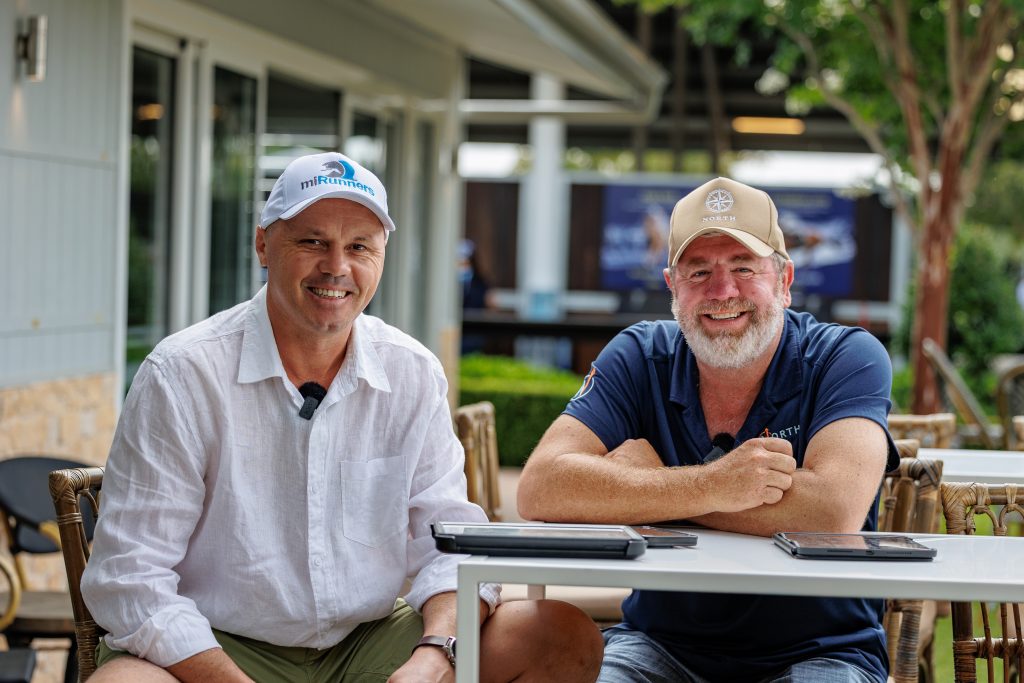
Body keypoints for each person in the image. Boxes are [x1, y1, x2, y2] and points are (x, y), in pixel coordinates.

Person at [81, 152, 603, 683]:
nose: (336, 266)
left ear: (382, 256)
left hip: (367, 642)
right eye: (312, 242)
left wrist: (435, 654)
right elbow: (129, 576)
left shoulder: (412, 371)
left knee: (561, 635)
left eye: (359, 246)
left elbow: (453, 546)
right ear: (263, 245)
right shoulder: (182, 373)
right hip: (217, 646)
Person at [518, 177, 900, 683]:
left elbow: (833, 512)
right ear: (671, 286)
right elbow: (541, 487)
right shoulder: (639, 355)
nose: (723, 292)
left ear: (784, 280)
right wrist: (721, 484)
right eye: (699, 271)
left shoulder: (845, 356)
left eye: (744, 268)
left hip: (822, 652)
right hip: (658, 646)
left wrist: (649, 488)